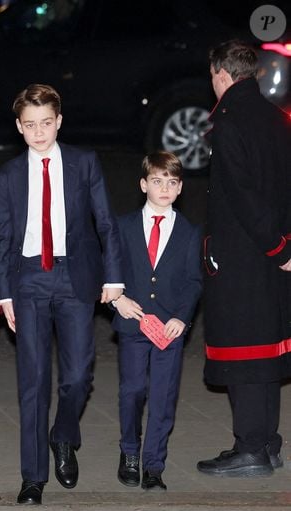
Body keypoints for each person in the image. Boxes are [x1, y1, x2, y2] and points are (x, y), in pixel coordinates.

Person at [0, 83, 123, 505]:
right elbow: (3, 238)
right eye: (30, 125)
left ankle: (63, 434)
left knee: (78, 376)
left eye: (46, 123)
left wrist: (114, 276)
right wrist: (4, 294)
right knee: (32, 382)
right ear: (19, 127)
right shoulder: (9, 174)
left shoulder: (83, 163)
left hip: (74, 277)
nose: (39, 132)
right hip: (28, 278)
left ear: (59, 121)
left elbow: (105, 222)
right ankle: (33, 477)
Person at [197, 40, 291, 477]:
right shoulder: (276, 116)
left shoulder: (230, 122)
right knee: (268, 348)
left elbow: (244, 196)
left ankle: (251, 446)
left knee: (244, 352)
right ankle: (268, 443)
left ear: (220, 73)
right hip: (274, 255)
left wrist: (275, 245)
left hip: (245, 255)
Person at [112, 151, 202, 491]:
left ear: (179, 189)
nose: (164, 188)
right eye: (157, 181)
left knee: (163, 396)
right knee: (132, 390)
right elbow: (111, 270)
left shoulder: (190, 232)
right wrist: (117, 299)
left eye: (172, 182)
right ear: (143, 184)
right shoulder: (124, 226)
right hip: (133, 323)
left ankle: (154, 464)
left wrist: (182, 316)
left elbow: (193, 281)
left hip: (169, 329)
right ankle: (130, 452)